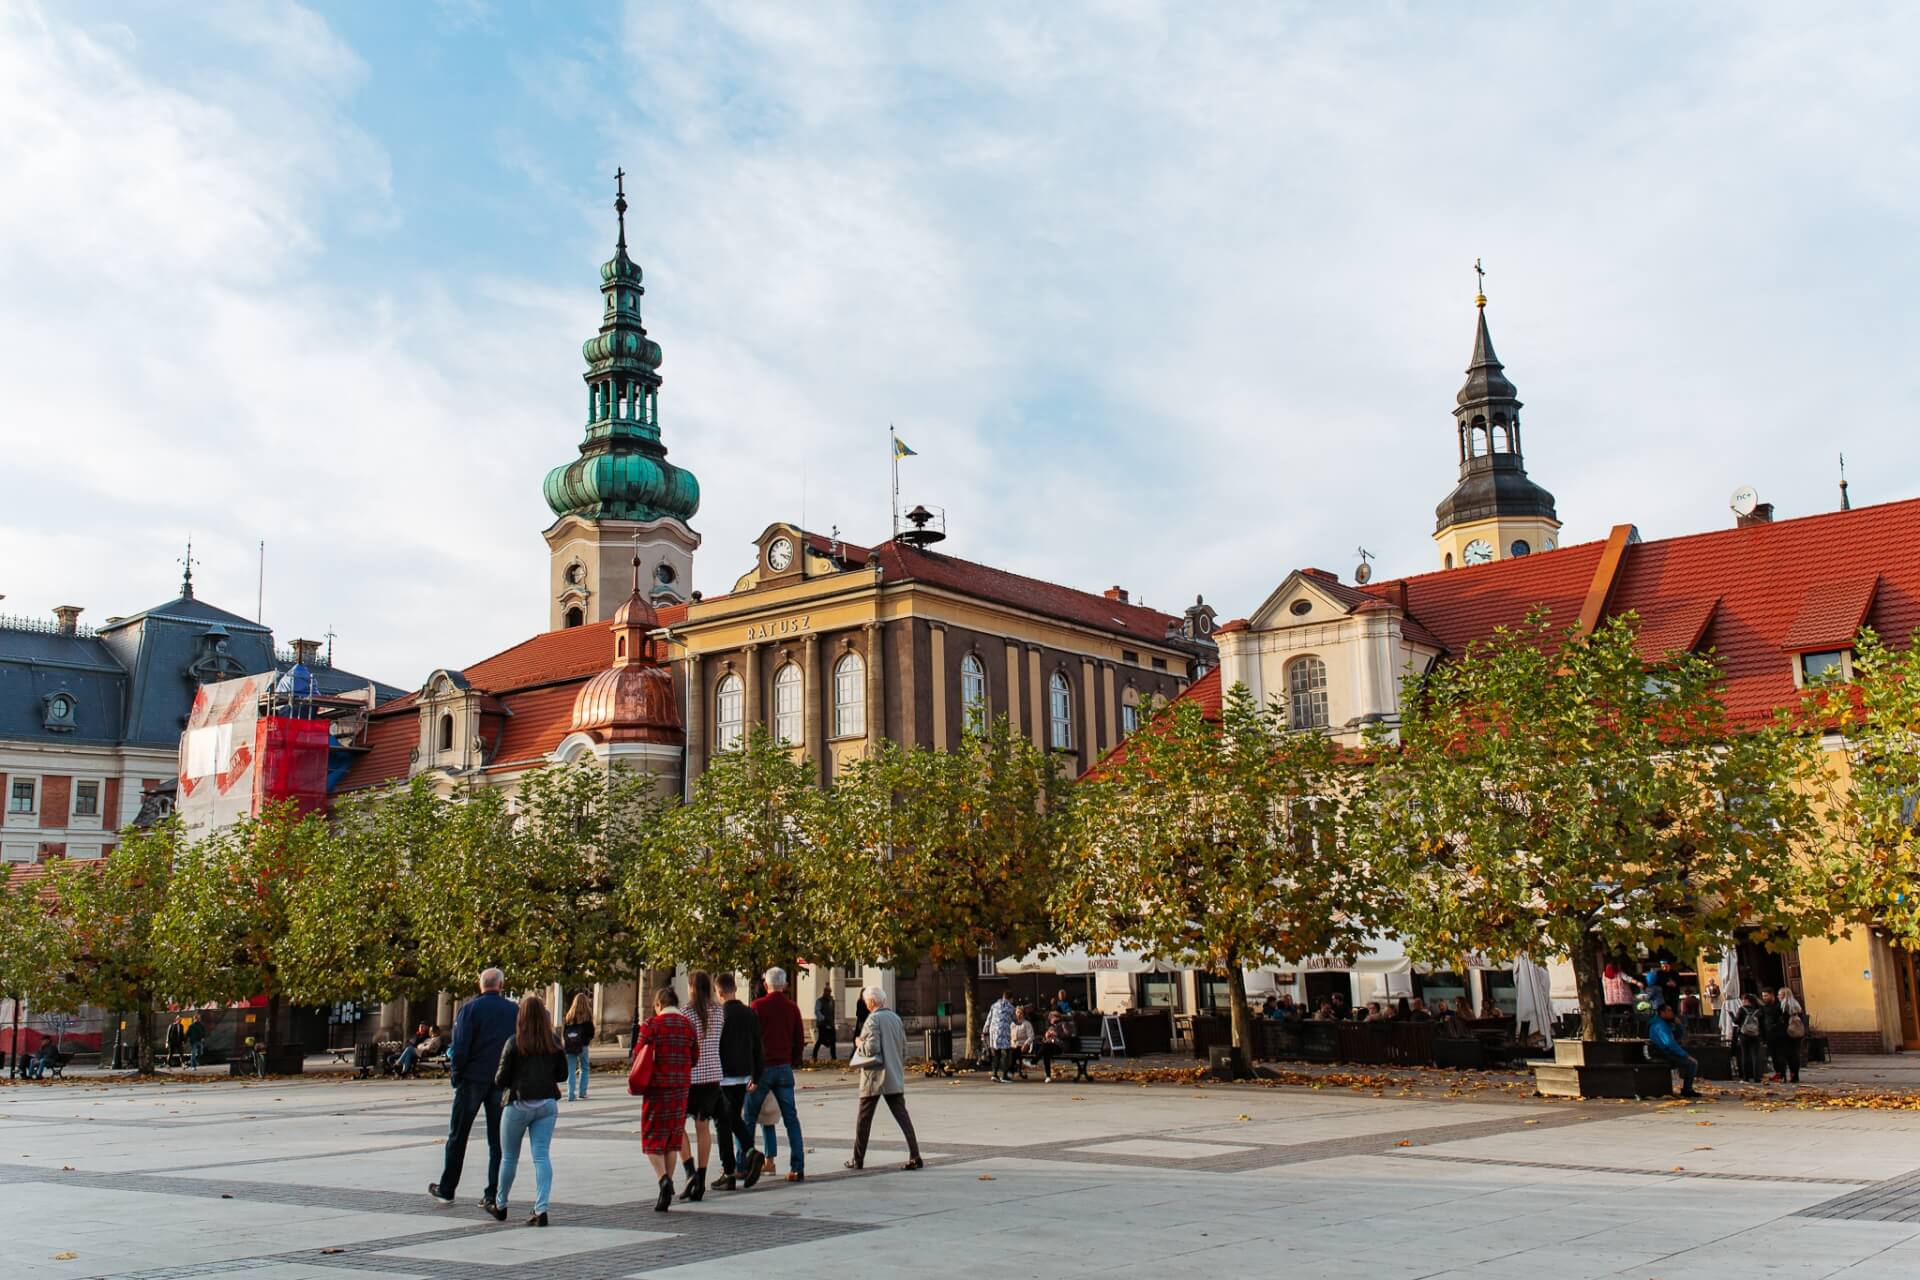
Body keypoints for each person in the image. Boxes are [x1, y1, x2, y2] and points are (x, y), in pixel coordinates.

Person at [429, 968, 518, 1211]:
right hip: (501, 1080)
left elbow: (460, 1048)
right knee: (497, 1140)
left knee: (458, 1135)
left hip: (473, 1079)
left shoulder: (469, 1009)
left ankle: (447, 1189)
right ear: (501, 985)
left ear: (481, 986)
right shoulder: (513, 1010)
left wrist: (457, 1076)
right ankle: (492, 1194)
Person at [491, 994, 566, 1226]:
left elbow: (500, 1079)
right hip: (546, 1104)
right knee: (541, 1155)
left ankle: (501, 1204)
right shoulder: (553, 1042)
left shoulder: (514, 1042)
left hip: (518, 1104)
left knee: (509, 1158)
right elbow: (562, 1075)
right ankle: (541, 1208)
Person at [844, 987, 924, 1171]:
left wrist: (859, 1044)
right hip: (893, 1075)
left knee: (864, 1119)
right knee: (903, 1117)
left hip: (874, 1077)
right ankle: (915, 1155)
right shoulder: (895, 1018)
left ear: (870, 1003)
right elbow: (904, 1048)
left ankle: (858, 1159)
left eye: (866, 1002)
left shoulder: (873, 1020)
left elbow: (871, 1048)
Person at [636, 985, 699, 1212]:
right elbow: (695, 1057)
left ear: (659, 1005)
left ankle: (663, 1179)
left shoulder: (651, 1025)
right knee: (673, 1137)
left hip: (656, 1088)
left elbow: (638, 1055)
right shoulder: (688, 1025)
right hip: (680, 1088)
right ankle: (669, 1184)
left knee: (652, 1137)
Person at [744, 966, 807, 1183]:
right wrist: (794, 1060)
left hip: (762, 1069)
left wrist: (751, 1070)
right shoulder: (792, 1008)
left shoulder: (757, 1006)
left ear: (765, 985)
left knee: (749, 1117)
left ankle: (743, 1163)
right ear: (785, 985)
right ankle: (797, 1167)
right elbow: (799, 1038)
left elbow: (751, 1040)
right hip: (783, 1068)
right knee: (791, 1119)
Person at [676, 971, 729, 1203]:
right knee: (703, 1127)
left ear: (691, 987)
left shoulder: (686, 1012)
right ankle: (702, 1175)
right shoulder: (719, 1011)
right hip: (712, 1075)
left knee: (678, 1127)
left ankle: (689, 1173)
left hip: (691, 1075)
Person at [711, 972, 766, 1192]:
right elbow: (757, 1047)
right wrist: (757, 1075)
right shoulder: (750, 1013)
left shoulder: (718, 1014)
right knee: (732, 1117)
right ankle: (742, 1159)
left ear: (719, 992)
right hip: (744, 1074)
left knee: (724, 1122)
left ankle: (736, 1164)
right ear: (734, 989)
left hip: (723, 1075)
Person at [1647, 1004, 1700, 1098]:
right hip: (1662, 1053)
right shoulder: (1659, 1025)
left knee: (1691, 1062)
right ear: (1662, 1013)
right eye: (1669, 1011)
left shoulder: (1665, 1023)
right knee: (1692, 1063)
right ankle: (1687, 1090)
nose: (1672, 1013)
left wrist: (1679, 1025)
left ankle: (1687, 1089)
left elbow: (1677, 1037)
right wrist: (1686, 1055)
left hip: (1666, 1051)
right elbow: (1669, 1043)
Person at [1756, 988, 1797, 1084]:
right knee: (1774, 1056)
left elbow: (1781, 1016)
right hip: (1769, 1035)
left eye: (1766, 995)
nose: (1764, 998)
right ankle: (1779, 1073)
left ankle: (1784, 1075)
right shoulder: (1764, 1007)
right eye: (1763, 996)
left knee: (1781, 1055)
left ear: (1772, 995)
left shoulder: (1779, 1006)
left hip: (1780, 1034)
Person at [561, 994, 594, 1102]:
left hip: (570, 1046)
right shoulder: (587, 1017)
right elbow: (591, 1033)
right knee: (584, 1068)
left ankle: (570, 1094)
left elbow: (564, 1033)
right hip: (583, 1045)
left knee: (571, 1070)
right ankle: (582, 1093)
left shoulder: (569, 1016)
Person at [1735, 992, 1768, 1083]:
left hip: (1744, 1035)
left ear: (1746, 1000)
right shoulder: (1758, 1011)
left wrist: (1731, 1015)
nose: (1742, 1001)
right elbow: (1762, 1025)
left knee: (1745, 1055)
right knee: (1755, 1056)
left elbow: (1736, 1021)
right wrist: (1764, 1038)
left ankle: (1746, 1077)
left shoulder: (1742, 1010)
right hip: (1756, 1035)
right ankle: (1757, 1077)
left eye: (1743, 999)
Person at [983, 992, 1016, 1082]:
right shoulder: (1011, 1007)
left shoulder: (994, 1005)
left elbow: (989, 1018)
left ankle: (994, 1074)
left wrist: (985, 1030)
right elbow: (1016, 1020)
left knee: (996, 1053)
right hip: (1004, 1032)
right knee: (1006, 1053)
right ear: (1010, 998)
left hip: (993, 1032)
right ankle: (1004, 1076)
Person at [1040, 1010, 1074, 1082]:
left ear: (1057, 1018)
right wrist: (1046, 1037)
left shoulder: (1063, 1024)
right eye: (1050, 1018)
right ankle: (1048, 1076)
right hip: (1051, 1046)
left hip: (1060, 1046)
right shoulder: (1051, 1027)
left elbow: (1068, 1035)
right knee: (1046, 1053)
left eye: (1052, 1017)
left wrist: (1057, 1034)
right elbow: (1045, 1039)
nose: (1050, 1019)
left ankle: (1034, 1061)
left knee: (1045, 1049)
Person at [1009, 1006, 1035, 1080]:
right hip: (1012, 1044)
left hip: (1023, 1045)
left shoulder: (1026, 1024)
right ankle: (1008, 1071)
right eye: (1017, 1013)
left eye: (1020, 1013)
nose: (1019, 1014)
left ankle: (1010, 1072)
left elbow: (1031, 1036)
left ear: (1023, 1014)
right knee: (1007, 1051)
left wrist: (1026, 1044)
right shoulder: (1012, 1023)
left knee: (1013, 1052)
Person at [812, 988, 838, 1062]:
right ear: (824, 992)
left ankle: (834, 1057)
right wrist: (823, 1018)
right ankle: (814, 1056)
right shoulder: (819, 1001)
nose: (828, 994)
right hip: (822, 1024)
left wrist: (832, 1022)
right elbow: (817, 1011)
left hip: (830, 1023)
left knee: (833, 1041)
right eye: (827, 992)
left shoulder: (832, 1001)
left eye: (829, 992)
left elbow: (832, 1012)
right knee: (820, 1040)